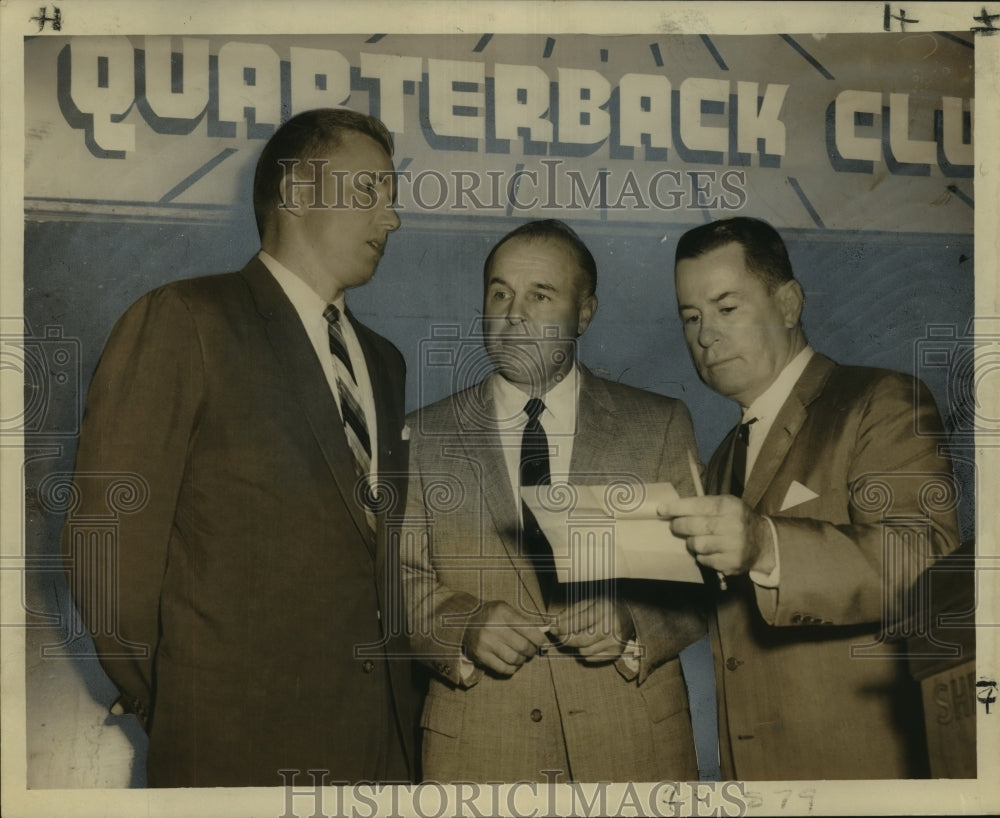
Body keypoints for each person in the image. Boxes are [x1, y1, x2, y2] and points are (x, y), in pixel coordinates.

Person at [61, 108, 419, 787]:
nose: (391, 219)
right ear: (298, 194)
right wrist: (181, 703)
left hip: (382, 755)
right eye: (370, 191)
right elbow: (107, 551)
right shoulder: (186, 320)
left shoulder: (385, 361)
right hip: (234, 751)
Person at [401, 219, 705, 782]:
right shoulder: (423, 437)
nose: (514, 313)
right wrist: (464, 624)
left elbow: (700, 580)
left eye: (540, 295)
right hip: (477, 750)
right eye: (500, 293)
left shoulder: (657, 425)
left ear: (584, 313)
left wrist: (630, 620)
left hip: (633, 746)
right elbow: (400, 583)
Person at [661, 216, 960, 780]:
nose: (705, 336)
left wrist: (767, 544)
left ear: (790, 303)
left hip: (865, 773)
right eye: (691, 317)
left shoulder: (881, 400)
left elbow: (927, 562)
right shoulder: (724, 456)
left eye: (727, 309)